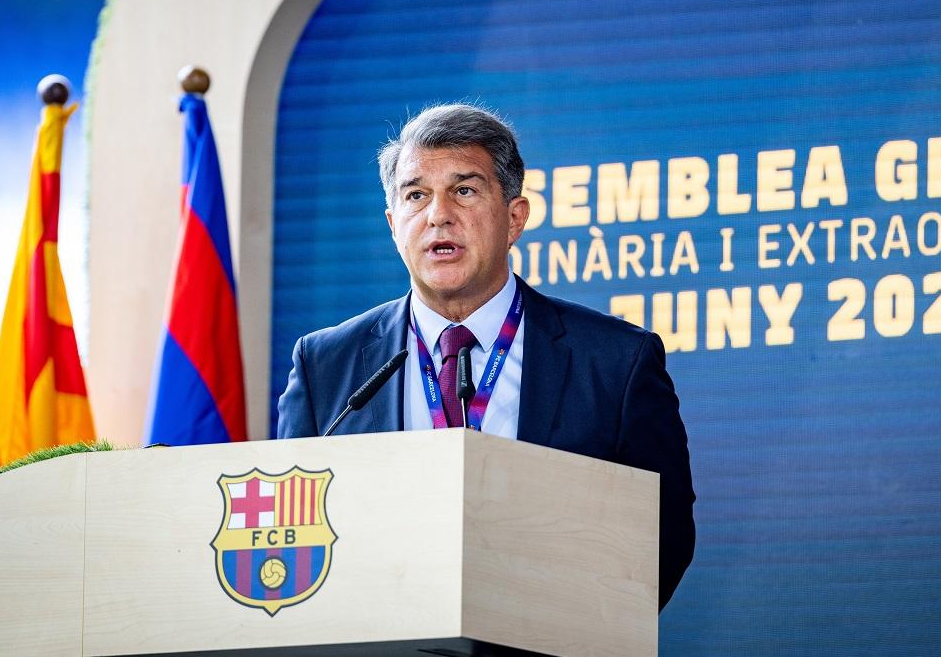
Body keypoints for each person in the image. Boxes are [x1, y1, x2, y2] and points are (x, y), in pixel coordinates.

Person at [276, 103, 695, 609]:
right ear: (392, 223)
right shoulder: (327, 367)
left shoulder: (615, 363)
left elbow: (662, 532)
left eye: (464, 190)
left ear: (514, 217)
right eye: (416, 195)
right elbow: (294, 528)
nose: (438, 215)